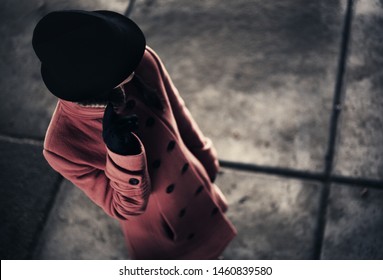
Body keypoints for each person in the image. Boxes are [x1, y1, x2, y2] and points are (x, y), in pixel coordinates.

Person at [32, 10, 236, 259]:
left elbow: (178, 113)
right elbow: (123, 207)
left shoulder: (142, 61)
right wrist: (122, 155)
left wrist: (205, 159)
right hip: (165, 229)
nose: (131, 66)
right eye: (118, 66)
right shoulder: (63, 145)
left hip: (196, 187)